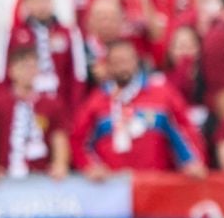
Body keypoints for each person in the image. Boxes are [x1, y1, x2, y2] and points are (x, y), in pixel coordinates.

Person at [72, 38, 207, 176]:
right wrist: (91, 166)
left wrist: (193, 162)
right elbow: (79, 141)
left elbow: (184, 130)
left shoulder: (162, 94)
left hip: (155, 185)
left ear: (136, 61)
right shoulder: (96, 102)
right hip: (113, 189)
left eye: (126, 61)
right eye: (116, 62)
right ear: (108, 66)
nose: (122, 67)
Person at [0, 44, 71, 180]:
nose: (29, 72)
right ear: (11, 71)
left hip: (42, 178)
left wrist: (60, 165)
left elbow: (59, 138)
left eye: (33, 66)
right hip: (6, 178)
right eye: (24, 67)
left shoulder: (52, 104)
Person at [3, 0, 87, 118]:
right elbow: (7, 70)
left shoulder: (68, 33)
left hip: (59, 97)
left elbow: (78, 73)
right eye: (36, 1)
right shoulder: (16, 34)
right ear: (27, 5)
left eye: (45, 0)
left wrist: (74, 108)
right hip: (26, 99)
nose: (41, 5)